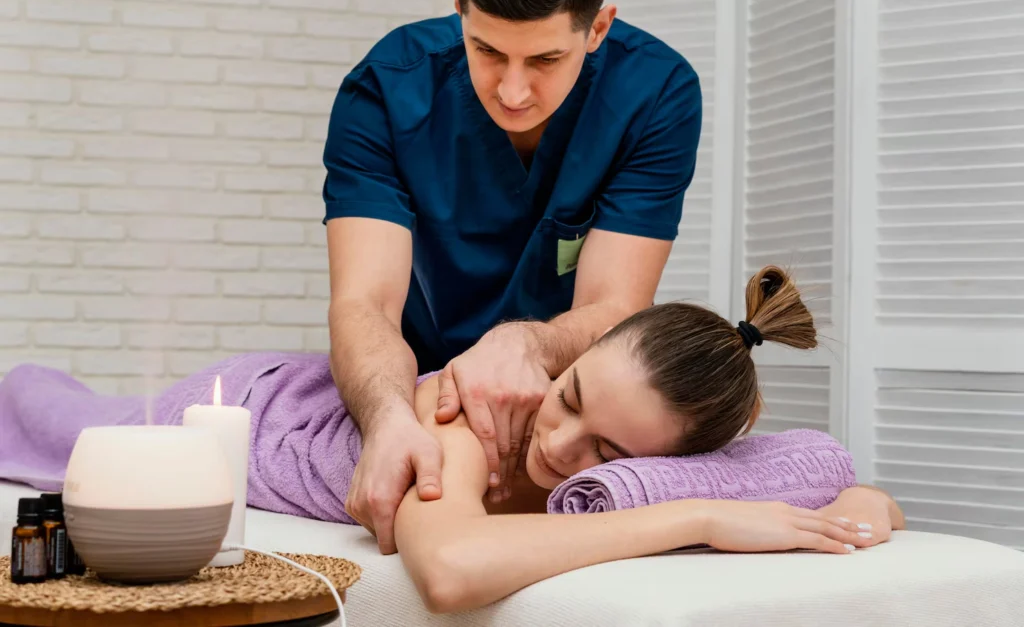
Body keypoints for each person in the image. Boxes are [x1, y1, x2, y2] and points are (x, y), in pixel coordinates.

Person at [0, 266, 904, 614]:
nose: (558, 443)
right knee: (40, 413)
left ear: (673, 456)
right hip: (260, 407)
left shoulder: (683, 455)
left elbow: (851, 494)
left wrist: (859, 510)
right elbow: (452, 570)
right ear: (573, 355)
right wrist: (696, 518)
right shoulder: (483, 411)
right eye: (573, 394)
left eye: (609, 454)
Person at [323, 0, 705, 554]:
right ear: (458, 6)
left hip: (564, 402)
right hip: (421, 389)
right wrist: (386, 418)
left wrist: (529, 344)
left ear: (598, 28)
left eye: (546, 61)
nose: (513, 91)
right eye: (487, 50)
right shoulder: (388, 87)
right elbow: (366, 303)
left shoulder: (655, 94)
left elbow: (614, 305)